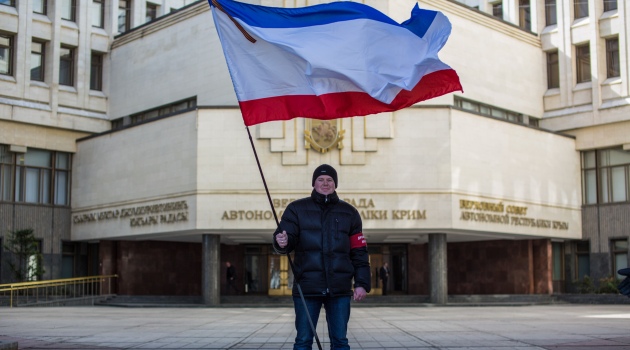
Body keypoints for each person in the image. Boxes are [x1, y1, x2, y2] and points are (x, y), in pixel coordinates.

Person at [273, 164, 371, 350]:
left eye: (329, 180)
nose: (325, 183)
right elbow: (286, 239)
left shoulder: (349, 213)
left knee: (340, 341)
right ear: (314, 183)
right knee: (303, 341)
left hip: (340, 288)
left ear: (335, 184)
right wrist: (282, 241)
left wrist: (361, 283)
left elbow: (359, 251)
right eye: (321, 180)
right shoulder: (296, 209)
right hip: (307, 286)